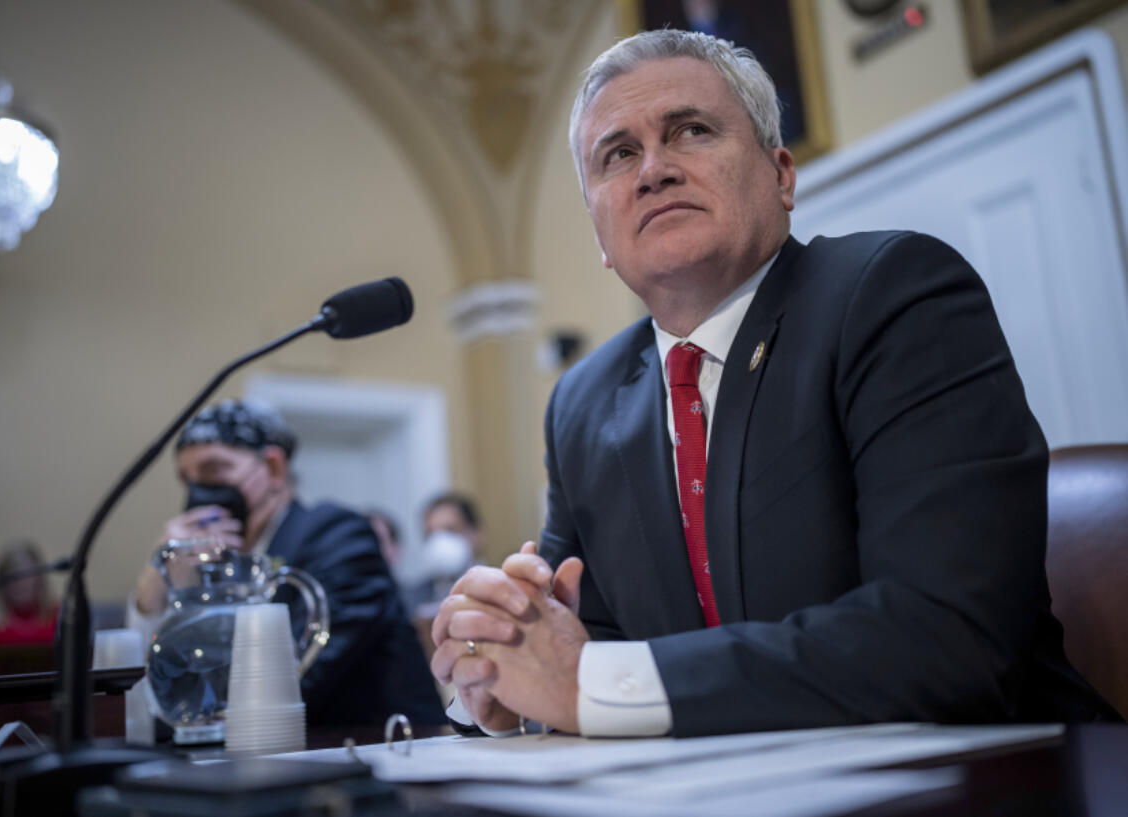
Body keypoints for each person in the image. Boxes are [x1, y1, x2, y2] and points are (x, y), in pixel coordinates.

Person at [431, 29, 1118, 738]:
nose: (653, 171)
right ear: (602, 237)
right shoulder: (582, 402)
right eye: (619, 153)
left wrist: (584, 681)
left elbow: (947, 636)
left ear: (781, 174)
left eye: (690, 130)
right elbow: (588, 642)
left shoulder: (894, 296)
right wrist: (505, 673)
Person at [132, 399, 445, 727]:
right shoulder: (222, 565)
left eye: (214, 470)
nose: (198, 490)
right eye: (187, 478)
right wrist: (159, 582)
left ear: (274, 468)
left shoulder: (337, 535)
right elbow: (171, 691)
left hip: (387, 749)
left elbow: (293, 681)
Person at [0, 541, 58, 647]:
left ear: (40, 580)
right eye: (14, 577)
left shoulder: (59, 615)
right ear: (1, 583)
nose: (21, 583)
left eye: (27, 575)